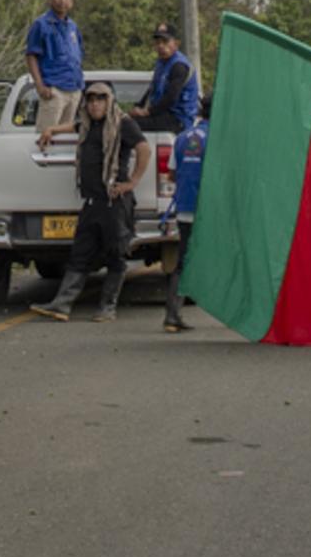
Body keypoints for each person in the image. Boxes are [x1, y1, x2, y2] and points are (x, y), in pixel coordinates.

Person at [30, 82, 151, 323]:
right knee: (80, 253)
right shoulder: (87, 124)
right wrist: (51, 130)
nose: (95, 104)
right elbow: (73, 125)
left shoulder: (123, 123)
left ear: (110, 101)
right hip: (92, 202)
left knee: (116, 255)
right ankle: (61, 305)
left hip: (114, 202)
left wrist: (131, 182)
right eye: (91, 99)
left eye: (100, 99)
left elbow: (144, 149)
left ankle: (107, 307)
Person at [162, 94, 211, 333]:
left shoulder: (181, 138)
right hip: (209, 211)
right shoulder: (219, 139)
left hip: (184, 209)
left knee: (183, 262)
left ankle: (172, 314)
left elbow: (172, 174)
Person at [26, 0, 85, 147]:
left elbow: (79, 54)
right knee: (44, 137)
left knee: (65, 140)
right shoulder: (41, 24)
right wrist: (40, 86)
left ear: (71, 1)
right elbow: (31, 56)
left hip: (74, 89)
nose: (62, 0)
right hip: (54, 90)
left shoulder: (73, 26)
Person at [130, 23, 200, 132]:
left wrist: (147, 112)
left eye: (165, 41)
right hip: (163, 114)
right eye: (158, 42)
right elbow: (152, 90)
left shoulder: (179, 66)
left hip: (178, 119)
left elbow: (171, 97)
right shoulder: (161, 63)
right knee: (127, 120)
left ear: (176, 44)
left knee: (129, 125)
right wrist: (138, 107)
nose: (161, 46)